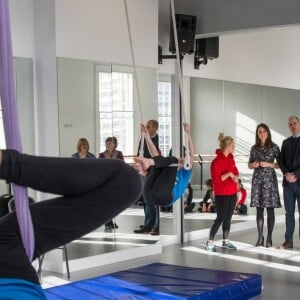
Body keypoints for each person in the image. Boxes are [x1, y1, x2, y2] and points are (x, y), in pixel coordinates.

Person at [0, 149, 142, 299]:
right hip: (11, 265)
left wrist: (9, 164)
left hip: (10, 262)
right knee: (128, 181)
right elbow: (125, 183)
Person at [134, 123, 194, 209]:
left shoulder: (185, 172)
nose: (181, 160)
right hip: (148, 196)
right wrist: (147, 136)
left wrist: (188, 134)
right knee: (161, 163)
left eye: (183, 159)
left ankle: (148, 164)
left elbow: (191, 155)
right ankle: (147, 165)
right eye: (181, 158)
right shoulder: (168, 169)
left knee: (172, 160)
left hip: (165, 197)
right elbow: (156, 156)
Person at [248, 123, 281, 247]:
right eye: (260, 131)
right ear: (257, 134)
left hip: (270, 182)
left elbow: (279, 164)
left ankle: (269, 238)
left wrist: (269, 164)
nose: (262, 133)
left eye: (264, 131)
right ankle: (260, 237)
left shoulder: (274, 147)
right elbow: (249, 164)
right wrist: (253, 165)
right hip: (257, 182)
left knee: (270, 210)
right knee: (259, 210)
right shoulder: (254, 148)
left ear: (268, 133)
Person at [205, 133, 239, 252]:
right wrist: (229, 174)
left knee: (228, 218)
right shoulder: (216, 161)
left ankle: (225, 241)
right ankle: (209, 242)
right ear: (228, 145)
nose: (234, 147)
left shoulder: (231, 158)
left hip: (232, 192)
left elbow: (236, 172)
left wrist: (235, 177)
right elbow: (216, 180)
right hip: (222, 194)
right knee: (220, 218)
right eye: (233, 145)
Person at [134, 120, 161, 236]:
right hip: (144, 171)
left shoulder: (156, 140)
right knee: (146, 199)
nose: (147, 129)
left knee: (152, 200)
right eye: (147, 127)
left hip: (152, 172)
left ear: (155, 128)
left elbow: (153, 155)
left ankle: (154, 225)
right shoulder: (143, 138)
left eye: (149, 127)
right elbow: (140, 152)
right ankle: (148, 223)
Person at [278, 116, 300, 250]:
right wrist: (286, 174)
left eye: (295, 123)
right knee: (289, 213)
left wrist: (295, 175)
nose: (293, 126)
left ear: (299, 124)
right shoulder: (285, 142)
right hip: (288, 185)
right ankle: (289, 241)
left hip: (299, 182)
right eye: (290, 124)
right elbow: (280, 161)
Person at [99, 137, 124, 230]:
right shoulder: (101, 155)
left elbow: (122, 165)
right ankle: (107, 222)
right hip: (105, 181)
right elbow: (100, 168)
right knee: (106, 203)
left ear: (115, 144)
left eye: (110, 143)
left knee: (114, 203)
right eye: (107, 143)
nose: (108, 145)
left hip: (116, 180)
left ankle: (112, 221)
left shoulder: (119, 154)